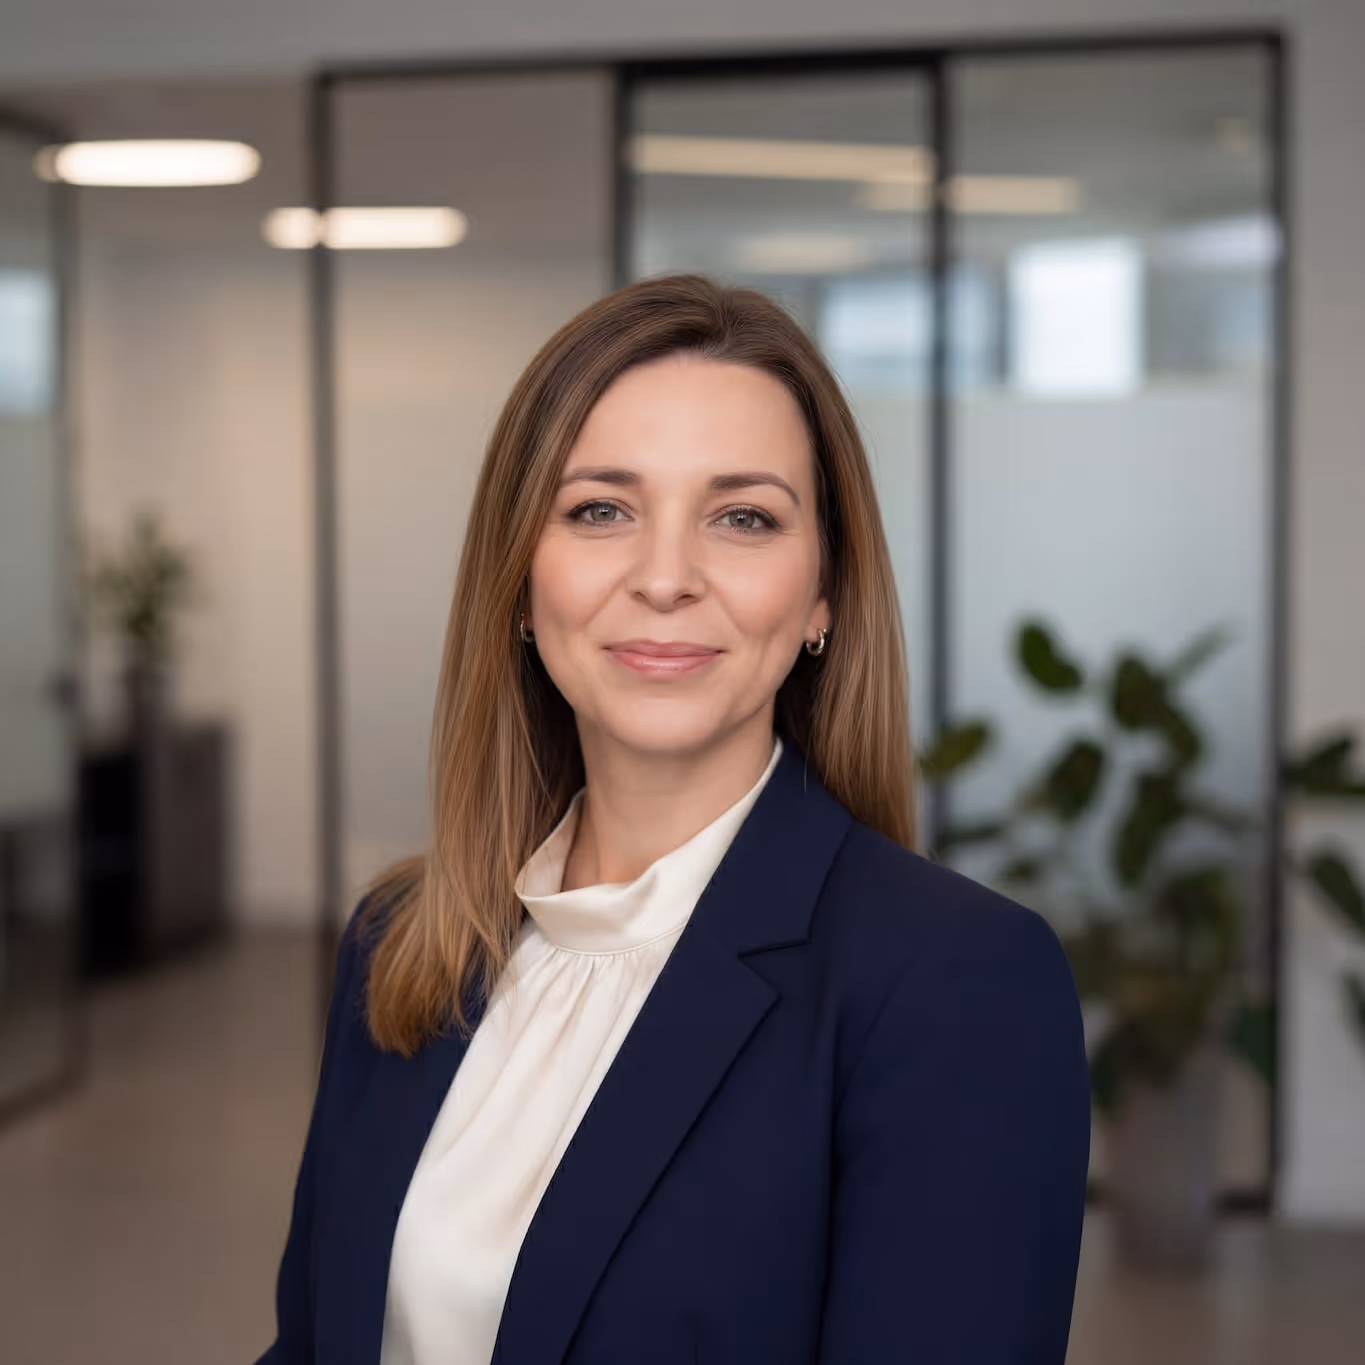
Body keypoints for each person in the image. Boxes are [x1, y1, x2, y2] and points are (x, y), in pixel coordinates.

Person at [256, 273, 1091, 1365]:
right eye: (600, 509)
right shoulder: (403, 939)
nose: (664, 578)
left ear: (824, 592)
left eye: (742, 518)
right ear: (519, 578)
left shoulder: (954, 983)